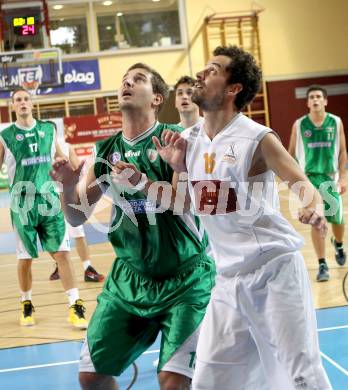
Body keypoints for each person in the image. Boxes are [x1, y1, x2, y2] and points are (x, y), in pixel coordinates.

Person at [146, 45, 332, 389]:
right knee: (209, 381)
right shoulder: (188, 141)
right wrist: (175, 169)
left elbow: (302, 183)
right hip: (227, 279)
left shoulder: (257, 137)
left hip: (274, 272)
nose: (201, 74)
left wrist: (313, 207)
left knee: (301, 376)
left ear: (233, 89)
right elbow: (180, 204)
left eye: (213, 70)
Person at [50, 63, 215, 390]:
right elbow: (76, 216)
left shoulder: (177, 140)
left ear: (156, 98)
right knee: (91, 376)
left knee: (173, 382)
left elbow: (184, 202)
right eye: (124, 79)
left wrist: (140, 182)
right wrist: (68, 186)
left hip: (185, 277)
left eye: (137, 79)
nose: (127, 82)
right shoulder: (104, 151)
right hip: (130, 277)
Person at [0, 87, 87, 329]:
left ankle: (75, 305)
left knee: (62, 254)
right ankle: (26, 303)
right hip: (22, 203)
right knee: (25, 258)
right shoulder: (5, 137)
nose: (23, 103)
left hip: (49, 200)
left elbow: (61, 159)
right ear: (13, 106)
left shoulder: (48, 130)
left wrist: (67, 169)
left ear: (32, 103)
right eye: (18, 100)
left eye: (26, 99)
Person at [288, 85, 346, 282]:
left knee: (337, 220)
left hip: (330, 178)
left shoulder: (336, 122)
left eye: (319, 96)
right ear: (307, 102)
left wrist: (344, 176)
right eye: (311, 97)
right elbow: (290, 155)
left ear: (325, 101)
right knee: (316, 220)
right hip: (309, 178)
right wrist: (295, 183)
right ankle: (322, 264)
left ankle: (338, 244)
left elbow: (343, 152)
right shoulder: (299, 124)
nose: (315, 100)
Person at [49, 141, 104, 283]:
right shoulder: (39, 150)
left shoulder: (66, 147)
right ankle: (58, 264)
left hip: (68, 197)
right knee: (51, 238)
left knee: (78, 233)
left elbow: (78, 170)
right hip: (49, 199)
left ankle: (88, 269)